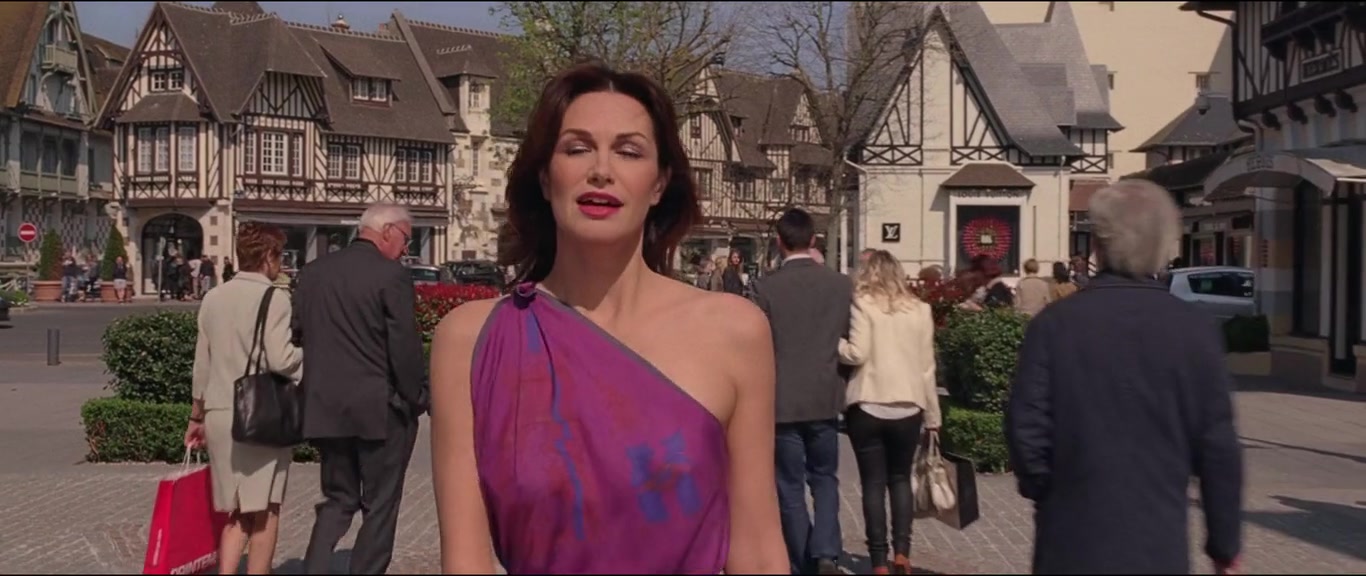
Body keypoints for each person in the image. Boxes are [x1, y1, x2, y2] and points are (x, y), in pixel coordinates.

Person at [427, 62, 788, 574]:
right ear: (545, 177)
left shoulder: (735, 332)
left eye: (629, 151)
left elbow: (758, 551)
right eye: (577, 148)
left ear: (659, 183)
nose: (601, 170)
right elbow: (465, 562)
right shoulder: (470, 340)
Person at [1005, 179, 1243, 574]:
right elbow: (1218, 447)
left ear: (1099, 245)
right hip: (1156, 541)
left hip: (1071, 535)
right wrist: (1224, 546)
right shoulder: (1193, 329)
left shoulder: (1055, 325)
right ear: (1162, 245)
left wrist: (1050, 491)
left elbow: (1026, 427)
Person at [295, 203, 428, 575]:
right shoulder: (391, 275)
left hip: (326, 408)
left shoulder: (313, 273)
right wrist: (417, 396)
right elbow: (404, 346)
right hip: (379, 409)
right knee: (380, 504)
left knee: (338, 499)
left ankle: (315, 569)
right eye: (405, 238)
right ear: (386, 231)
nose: (405, 248)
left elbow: (298, 332)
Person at [183, 223, 303, 575]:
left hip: (220, 413)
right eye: (279, 255)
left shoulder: (214, 297)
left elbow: (201, 365)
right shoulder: (275, 298)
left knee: (237, 512)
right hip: (260, 413)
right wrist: (309, 357)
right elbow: (281, 359)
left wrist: (196, 417)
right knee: (266, 510)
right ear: (268, 256)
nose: (281, 262)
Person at [753, 208, 853, 575]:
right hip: (825, 395)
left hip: (781, 400)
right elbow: (850, 338)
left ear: (779, 242)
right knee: (825, 478)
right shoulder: (840, 285)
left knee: (789, 485)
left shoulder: (765, 287)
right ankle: (825, 551)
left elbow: (756, 345)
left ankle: (801, 559)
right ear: (813, 240)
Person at [838, 250, 940, 575]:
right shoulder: (921, 310)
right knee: (900, 479)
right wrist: (933, 417)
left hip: (868, 403)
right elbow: (927, 368)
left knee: (872, 483)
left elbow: (857, 353)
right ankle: (903, 554)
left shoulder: (863, 303)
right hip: (909, 405)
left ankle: (878, 560)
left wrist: (836, 344)